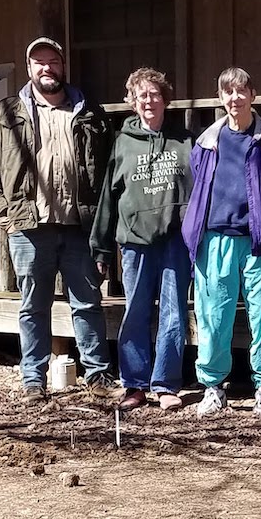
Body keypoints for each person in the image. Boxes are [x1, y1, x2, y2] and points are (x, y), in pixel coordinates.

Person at [0, 37, 114, 397]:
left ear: (63, 66)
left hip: (79, 226)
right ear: (28, 67)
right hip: (29, 226)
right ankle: (33, 379)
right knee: (33, 306)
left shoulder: (89, 112)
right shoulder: (6, 112)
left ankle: (97, 376)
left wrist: (101, 223)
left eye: (53, 61)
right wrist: (2, 213)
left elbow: (108, 168)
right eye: (39, 62)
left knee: (87, 303)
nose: (47, 68)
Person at [183, 67, 261, 417]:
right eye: (228, 93)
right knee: (213, 316)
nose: (235, 99)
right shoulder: (206, 142)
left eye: (241, 91)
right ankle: (213, 387)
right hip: (215, 240)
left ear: (253, 96)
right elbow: (198, 187)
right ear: (221, 98)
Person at [93, 68, 194, 411]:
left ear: (165, 99)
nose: (149, 101)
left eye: (154, 94)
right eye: (142, 96)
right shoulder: (122, 142)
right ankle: (134, 385)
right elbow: (109, 195)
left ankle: (166, 384)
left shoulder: (185, 140)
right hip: (135, 242)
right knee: (135, 312)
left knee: (174, 314)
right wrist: (102, 244)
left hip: (175, 242)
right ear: (133, 103)